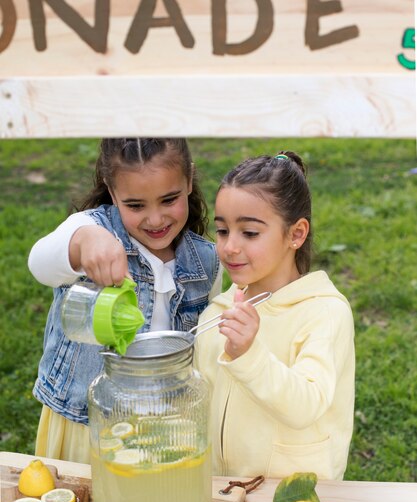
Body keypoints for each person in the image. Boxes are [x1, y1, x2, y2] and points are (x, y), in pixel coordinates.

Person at [28, 137, 221, 463]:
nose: (156, 219)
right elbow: (39, 263)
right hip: (85, 427)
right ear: (112, 190)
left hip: (165, 426)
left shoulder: (206, 260)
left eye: (169, 199)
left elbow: (206, 345)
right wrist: (84, 241)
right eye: (135, 205)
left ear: (189, 179)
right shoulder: (89, 229)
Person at [194, 151, 355, 480]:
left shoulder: (324, 312)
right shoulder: (219, 310)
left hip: (294, 495)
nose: (229, 247)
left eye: (249, 233)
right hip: (221, 488)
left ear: (296, 234)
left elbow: (307, 404)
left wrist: (250, 355)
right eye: (223, 231)